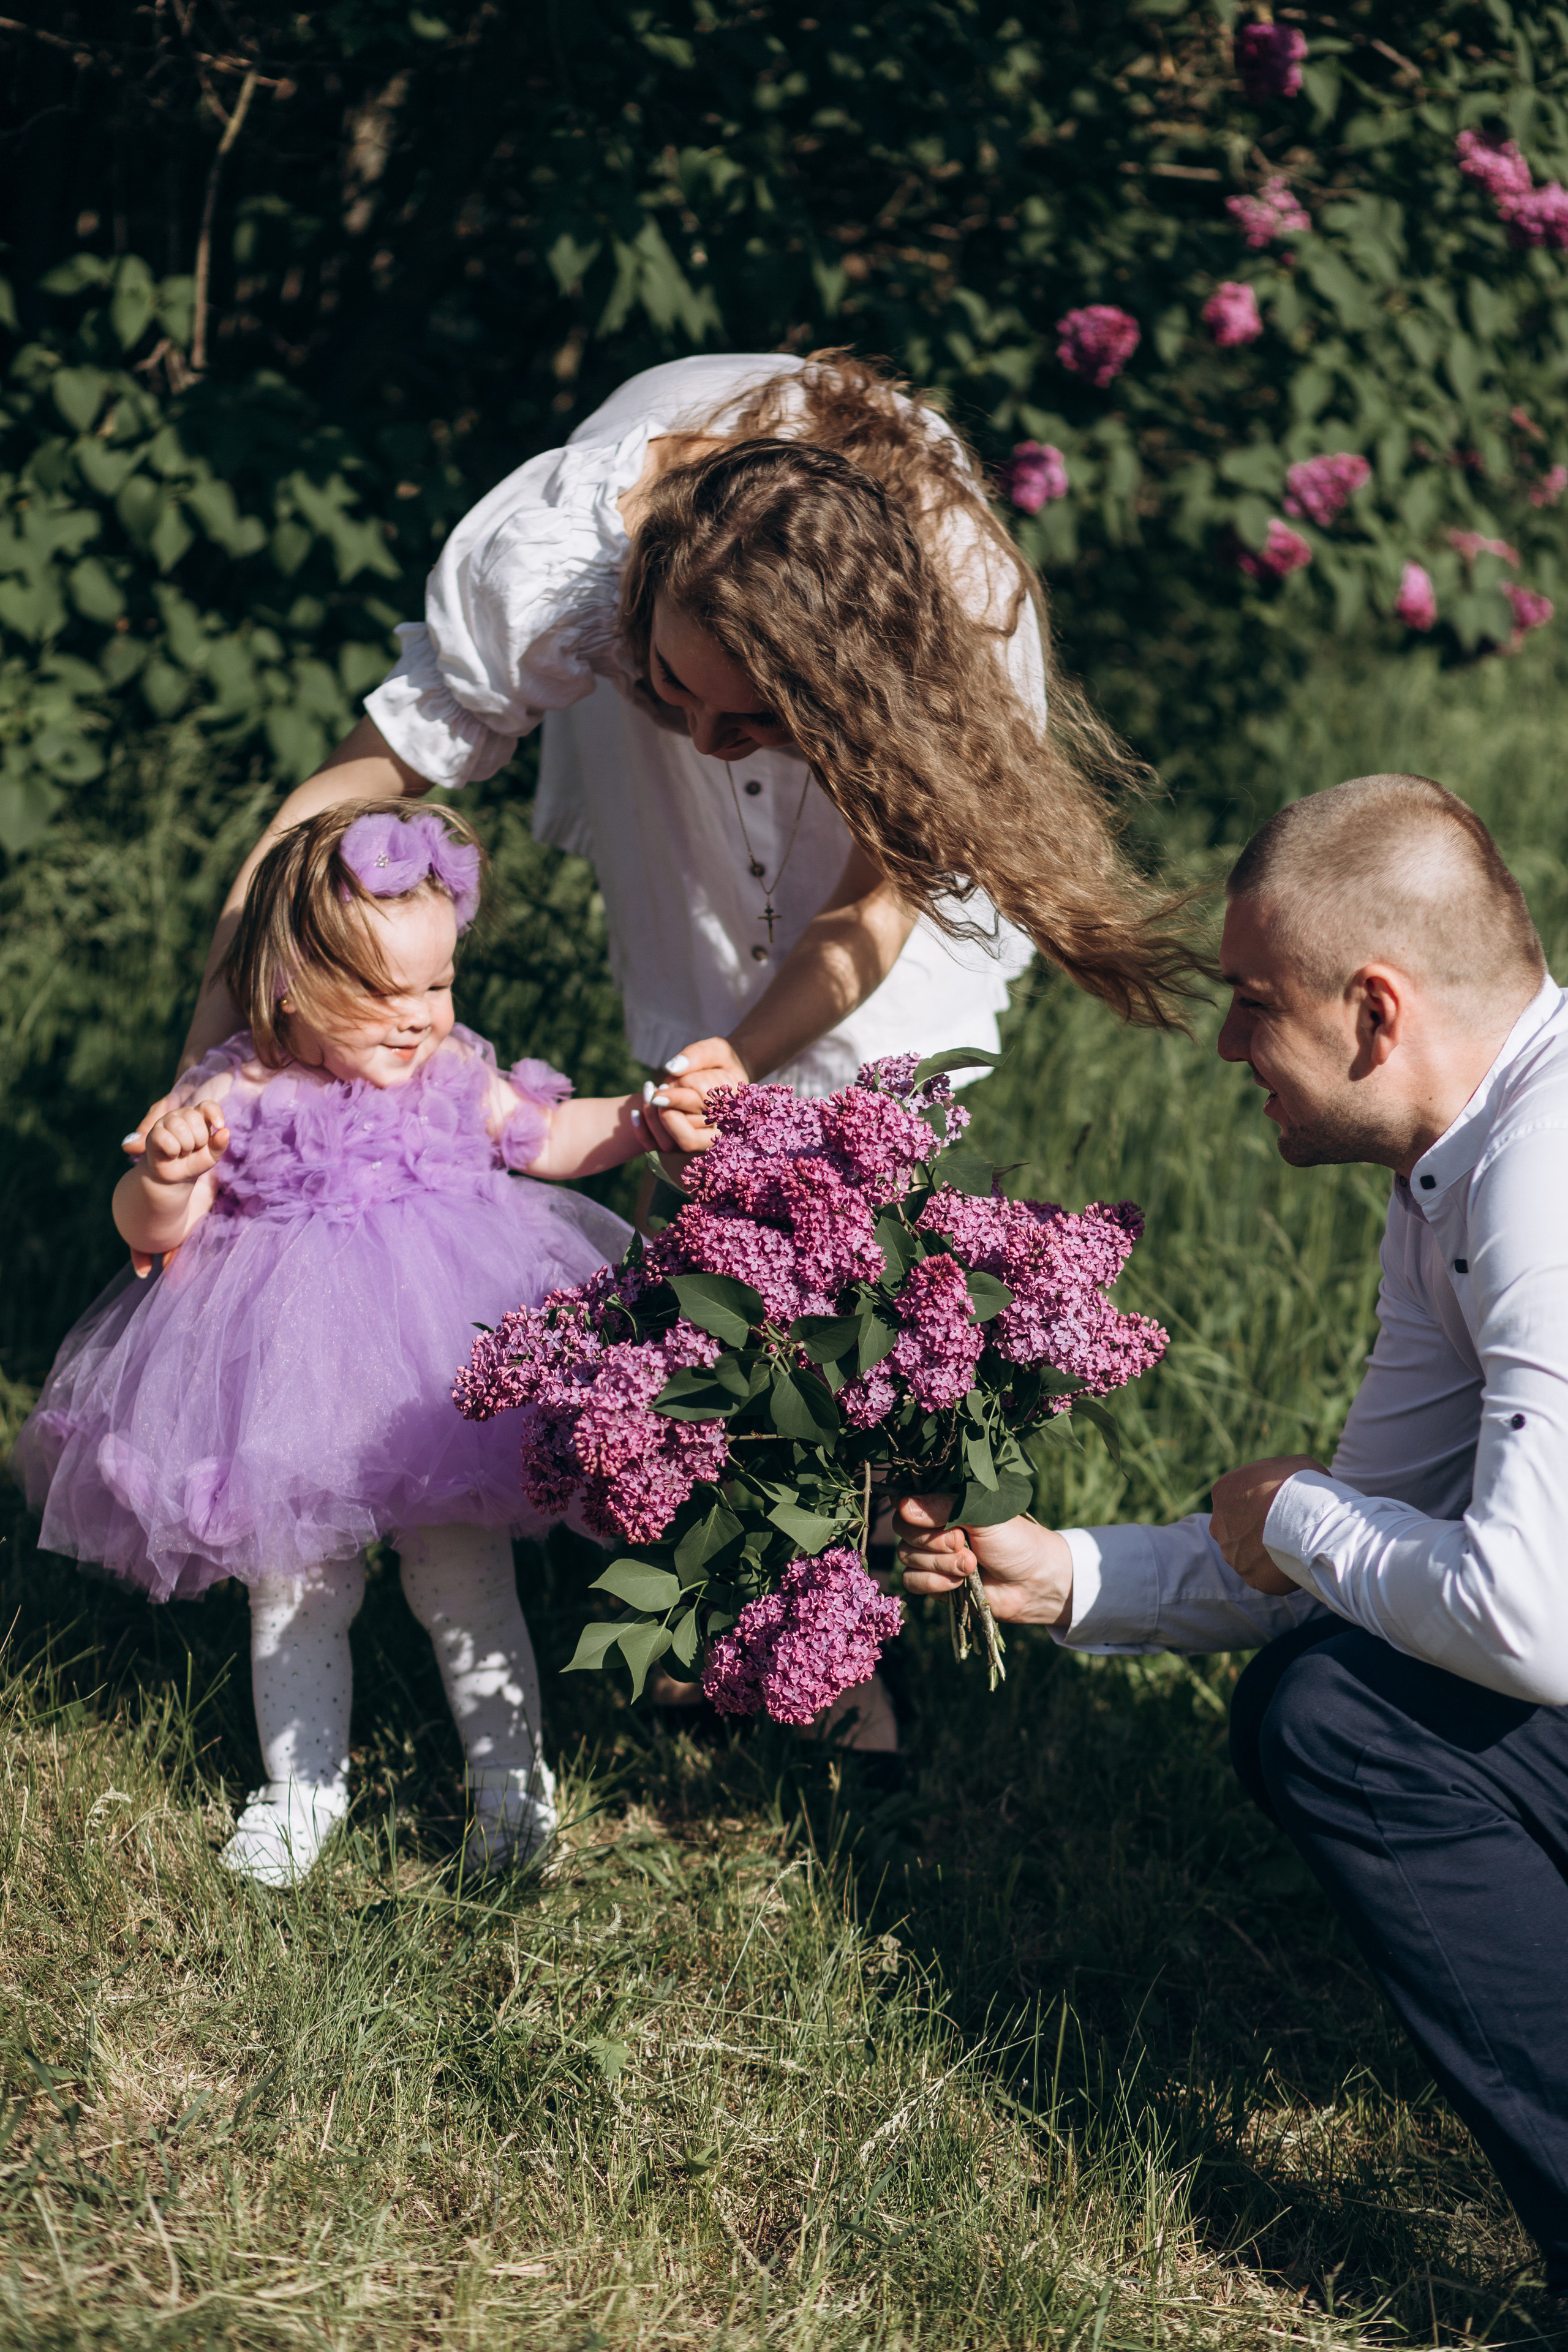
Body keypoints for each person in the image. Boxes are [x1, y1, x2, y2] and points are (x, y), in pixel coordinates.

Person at [152, 347, 1198, 1755]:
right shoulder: (568, 569)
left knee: (866, 1127)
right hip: (695, 619)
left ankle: (825, 1601)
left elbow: (874, 901)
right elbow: (352, 785)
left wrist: (747, 1045)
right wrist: (212, 1051)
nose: (709, 740)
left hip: (861, 729)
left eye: (746, 721)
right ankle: (704, 1574)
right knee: (699, 1105)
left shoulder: (948, 607)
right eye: (675, 692)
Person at [896, 774, 1568, 2287]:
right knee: (1327, 1685)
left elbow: (1526, 1619)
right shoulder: (1458, 1166)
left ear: (1372, 1013)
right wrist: (1067, 1572)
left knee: (1341, 1724)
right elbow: (1370, 1546)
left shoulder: (1541, 1182)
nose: (1221, 1044)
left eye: (1253, 1003)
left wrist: (1300, 1515)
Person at [15, 800, 655, 1889]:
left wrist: (645, 1116)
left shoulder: (454, 1072)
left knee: (463, 1574)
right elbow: (147, 1237)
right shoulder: (235, 1092)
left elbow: (554, 1140)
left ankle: (511, 1786)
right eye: (380, 991)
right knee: (300, 1587)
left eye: (438, 983)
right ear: (285, 985)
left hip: (446, 1375)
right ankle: (302, 1787)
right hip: (290, 1382)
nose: (419, 1016)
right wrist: (165, 1181)